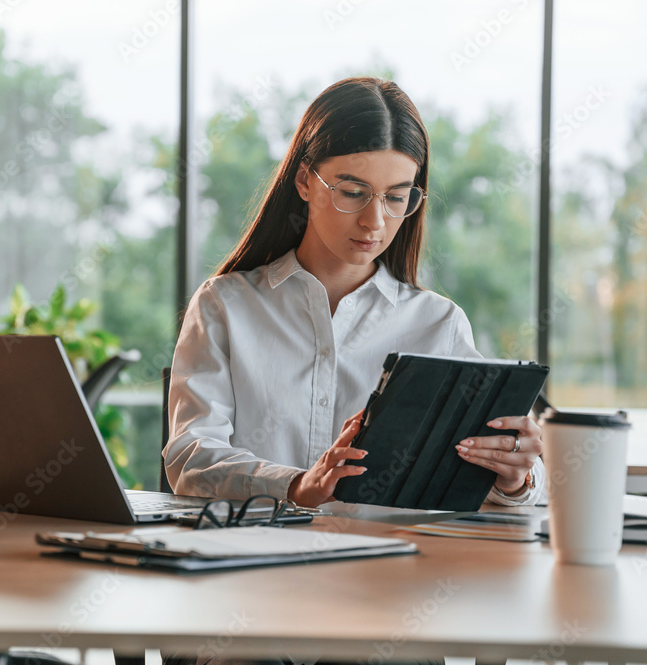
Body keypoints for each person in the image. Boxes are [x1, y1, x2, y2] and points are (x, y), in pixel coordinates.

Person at [164, 76, 545, 510]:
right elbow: (189, 457)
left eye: (396, 198)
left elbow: (509, 484)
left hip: (390, 571)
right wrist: (295, 485)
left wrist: (516, 478)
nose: (374, 221)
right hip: (255, 567)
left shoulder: (438, 325)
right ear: (305, 181)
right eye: (352, 192)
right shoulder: (225, 306)